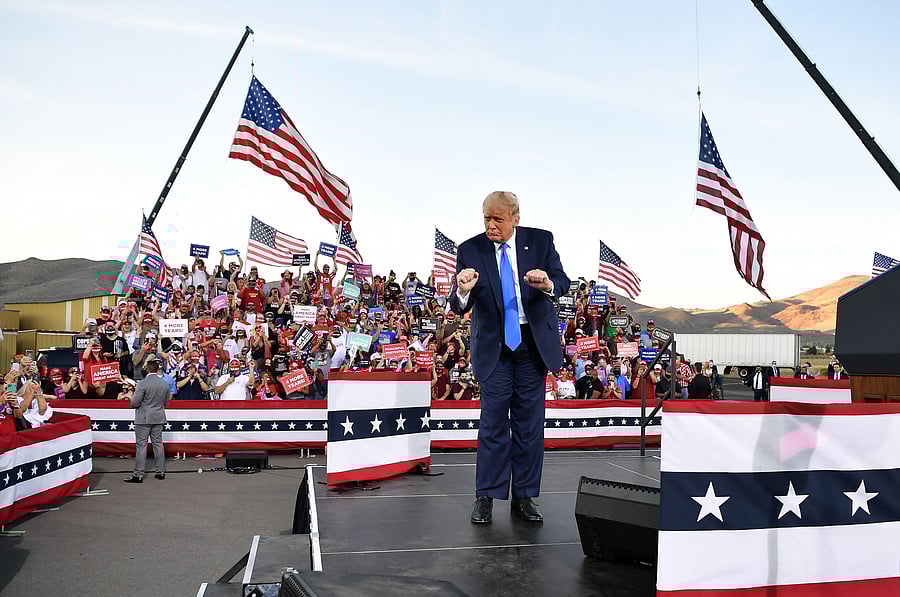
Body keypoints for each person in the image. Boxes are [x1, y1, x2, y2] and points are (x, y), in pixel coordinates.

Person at [449, 191, 569, 525]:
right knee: (493, 423)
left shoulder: (540, 241)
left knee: (530, 426)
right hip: (494, 348)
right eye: (486, 217)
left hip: (532, 346)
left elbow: (562, 281)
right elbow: (459, 304)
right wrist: (462, 289)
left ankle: (525, 496)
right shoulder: (470, 249)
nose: (491, 225)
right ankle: (486, 495)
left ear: (515, 217)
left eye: (498, 219)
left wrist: (546, 283)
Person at [124, 357, 170, 483]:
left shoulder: (142, 384)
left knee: (141, 446)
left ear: (147, 369)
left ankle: (138, 474)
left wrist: (129, 396)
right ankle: (160, 472)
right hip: (159, 417)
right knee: (158, 444)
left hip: (143, 418)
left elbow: (135, 403)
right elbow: (165, 402)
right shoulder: (165, 384)